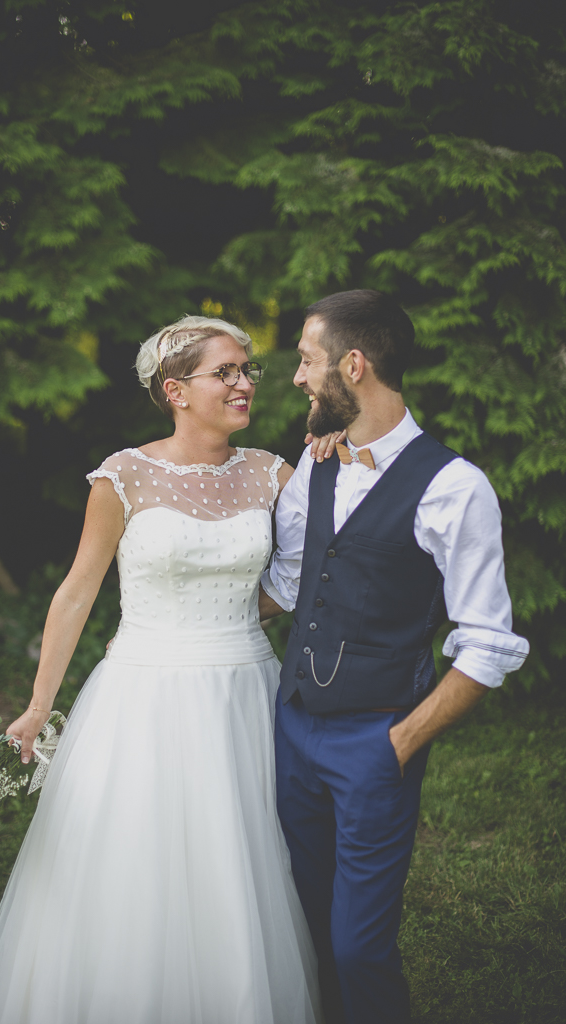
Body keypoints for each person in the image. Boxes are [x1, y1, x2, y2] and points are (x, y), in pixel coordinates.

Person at [0, 315, 326, 1024]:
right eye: (224, 372)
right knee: (137, 863)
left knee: (244, 862)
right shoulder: (124, 475)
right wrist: (40, 704)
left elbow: (307, 568)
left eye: (246, 370)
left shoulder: (275, 472)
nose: (243, 383)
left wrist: (335, 462)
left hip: (245, 690)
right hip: (143, 694)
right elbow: (77, 591)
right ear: (176, 390)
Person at [258, 289, 530, 1024]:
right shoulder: (312, 466)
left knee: (358, 948)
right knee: (304, 925)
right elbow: (287, 584)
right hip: (293, 728)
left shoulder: (454, 487)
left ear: (355, 364)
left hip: (376, 740)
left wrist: (402, 742)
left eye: (307, 361)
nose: (296, 378)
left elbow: (487, 644)